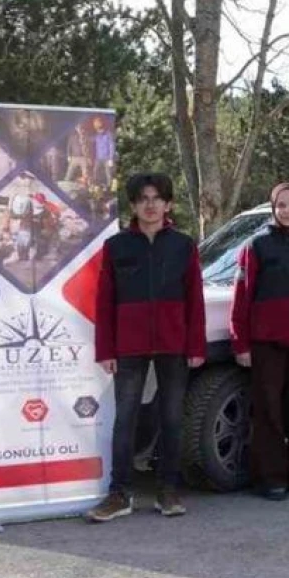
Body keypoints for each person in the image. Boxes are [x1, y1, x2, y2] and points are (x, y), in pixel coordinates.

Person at [87, 173, 206, 522]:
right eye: (143, 198)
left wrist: (195, 345)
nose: (150, 204)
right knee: (125, 419)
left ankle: (167, 491)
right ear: (134, 205)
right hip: (129, 344)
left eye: (157, 198)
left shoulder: (183, 245)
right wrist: (105, 349)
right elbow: (104, 302)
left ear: (168, 204)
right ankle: (119, 494)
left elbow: (194, 301)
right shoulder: (116, 246)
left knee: (171, 418)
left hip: (174, 344)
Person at [230, 183, 289, 500]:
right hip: (267, 341)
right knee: (269, 411)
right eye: (281, 205)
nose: (287, 211)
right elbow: (242, 297)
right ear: (273, 209)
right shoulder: (256, 246)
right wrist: (240, 342)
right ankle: (271, 478)